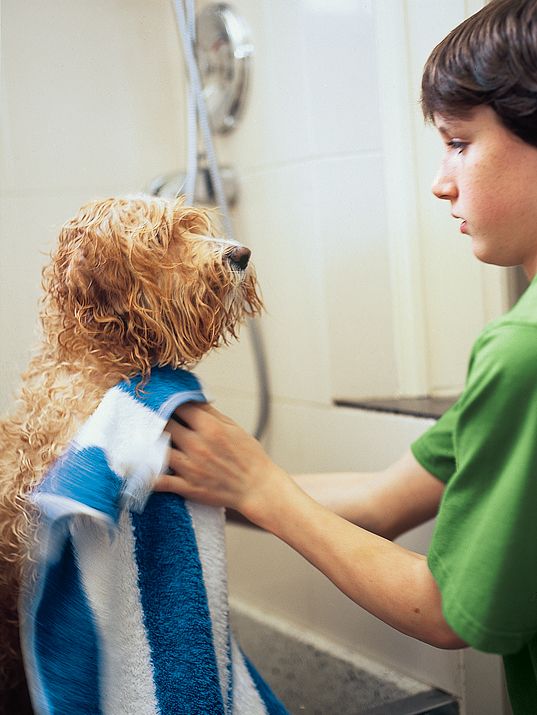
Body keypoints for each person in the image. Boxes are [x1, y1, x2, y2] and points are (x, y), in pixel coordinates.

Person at [156, 1, 537, 712]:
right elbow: (381, 501)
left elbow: (444, 611)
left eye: (458, 142)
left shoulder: (522, 348)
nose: (439, 180)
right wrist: (202, 478)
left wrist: (261, 488)